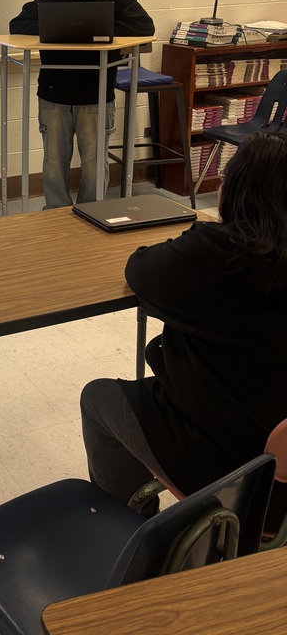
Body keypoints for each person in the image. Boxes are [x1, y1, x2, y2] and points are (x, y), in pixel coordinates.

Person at [80, 130, 287, 529]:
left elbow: (140, 269)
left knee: (99, 398)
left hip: (236, 469)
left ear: (237, 191)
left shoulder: (220, 257)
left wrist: (200, 235)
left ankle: (129, 529)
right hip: (278, 458)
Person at [9, 0, 153, 208]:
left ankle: (92, 212)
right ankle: (56, 214)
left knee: (95, 163)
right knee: (53, 162)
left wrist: (97, 30)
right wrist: (59, 28)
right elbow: (18, 24)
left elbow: (145, 27)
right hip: (54, 95)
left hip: (96, 96)